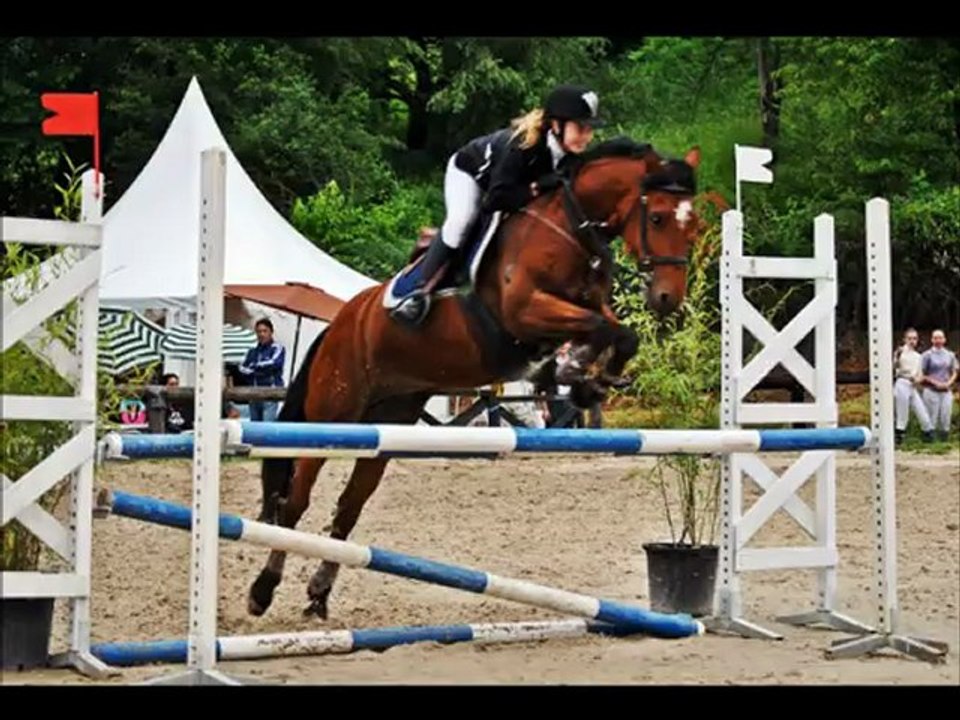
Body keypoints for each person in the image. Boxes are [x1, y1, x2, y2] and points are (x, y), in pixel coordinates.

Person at [390, 84, 605, 326]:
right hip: (471, 175)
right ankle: (418, 291)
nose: (587, 136)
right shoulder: (523, 146)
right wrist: (536, 187)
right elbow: (495, 200)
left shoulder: (573, 157)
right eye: (581, 128)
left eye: (590, 130)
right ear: (556, 125)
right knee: (462, 220)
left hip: (507, 188)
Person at [238, 318, 286, 422]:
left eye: (265, 331)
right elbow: (242, 369)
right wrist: (260, 370)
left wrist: (254, 368)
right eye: (259, 331)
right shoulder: (252, 352)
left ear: (271, 332)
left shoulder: (277, 348)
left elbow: (274, 364)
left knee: (267, 429)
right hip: (254, 395)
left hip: (270, 394)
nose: (262, 334)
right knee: (255, 430)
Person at [892, 328, 934, 444]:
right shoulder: (900, 352)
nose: (912, 341)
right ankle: (899, 437)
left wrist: (918, 379)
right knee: (902, 412)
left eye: (914, 338)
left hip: (912, 385)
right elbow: (895, 367)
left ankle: (928, 432)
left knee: (921, 409)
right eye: (909, 338)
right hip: (902, 382)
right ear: (905, 339)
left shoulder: (918, 356)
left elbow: (920, 373)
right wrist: (897, 356)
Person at [920, 329, 958, 442]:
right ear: (932, 340)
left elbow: (955, 371)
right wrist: (935, 383)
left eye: (940, 337)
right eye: (935, 338)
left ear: (944, 339)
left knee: (945, 416)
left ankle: (944, 440)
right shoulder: (926, 355)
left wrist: (948, 383)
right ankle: (930, 440)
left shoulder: (950, 355)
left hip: (946, 390)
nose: (938, 340)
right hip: (931, 390)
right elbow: (921, 373)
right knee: (932, 416)